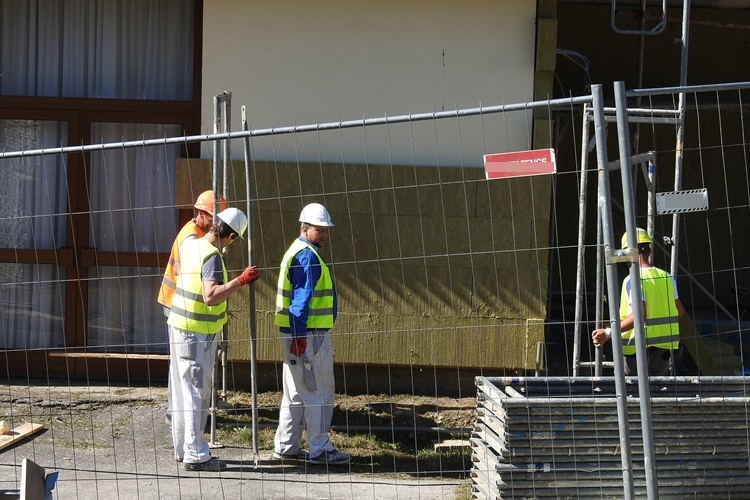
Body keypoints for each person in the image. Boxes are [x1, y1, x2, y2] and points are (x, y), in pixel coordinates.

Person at [167, 207, 259, 472]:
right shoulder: (212, 257)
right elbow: (211, 296)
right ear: (230, 237)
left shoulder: (191, 245)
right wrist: (241, 280)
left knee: (183, 393)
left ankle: (183, 448)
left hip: (179, 326)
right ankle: (196, 455)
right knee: (197, 394)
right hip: (197, 333)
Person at [273, 203, 351, 465]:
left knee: (295, 392)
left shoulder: (298, 251)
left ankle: (286, 447)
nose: (325, 235)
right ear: (304, 229)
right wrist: (300, 335)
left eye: (327, 230)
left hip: (297, 333)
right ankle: (320, 449)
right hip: (308, 335)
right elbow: (301, 299)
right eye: (320, 230)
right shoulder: (307, 256)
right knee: (317, 391)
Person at [158, 190, 227, 423]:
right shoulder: (191, 236)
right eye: (213, 217)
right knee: (182, 364)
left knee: (186, 363)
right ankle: (175, 413)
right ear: (200, 214)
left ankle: (184, 412)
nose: (218, 223)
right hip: (178, 302)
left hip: (180, 301)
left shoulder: (198, 233)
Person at [592, 227, 685, 376]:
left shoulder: (632, 280)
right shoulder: (667, 277)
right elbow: (680, 312)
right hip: (664, 349)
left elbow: (639, 315)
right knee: (658, 394)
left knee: (634, 394)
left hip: (636, 349)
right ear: (649, 250)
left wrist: (608, 333)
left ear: (626, 254)